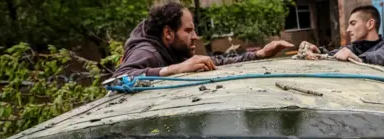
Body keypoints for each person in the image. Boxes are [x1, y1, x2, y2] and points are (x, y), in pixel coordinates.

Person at [114, 1, 293, 78]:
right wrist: (175, 69)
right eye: (189, 30)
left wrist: (259, 54)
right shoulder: (147, 51)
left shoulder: (171, 49)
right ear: (168, 33)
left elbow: (214, 61)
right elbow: (119, 78)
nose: (195, 37)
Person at [303, 5, 384, 69]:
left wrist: (359, 60)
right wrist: (317, 53)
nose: (348, 30)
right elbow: (334, 54)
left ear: (370, 24)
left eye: (353, 23)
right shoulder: (353, 48)